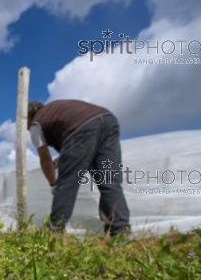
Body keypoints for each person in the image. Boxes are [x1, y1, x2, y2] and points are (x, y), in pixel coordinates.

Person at [28, 99, 130, 235]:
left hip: (82, 129)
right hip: (107, 121)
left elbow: (45, 158)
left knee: (67, 184)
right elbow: (82, 151)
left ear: (28, 117)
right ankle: (120, 232)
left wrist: (53, 183)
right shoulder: (56, 110)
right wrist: (62, 161)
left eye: (25, 125)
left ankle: (53, 232)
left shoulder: (36, 124)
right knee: (109, 181)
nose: (27, 129)